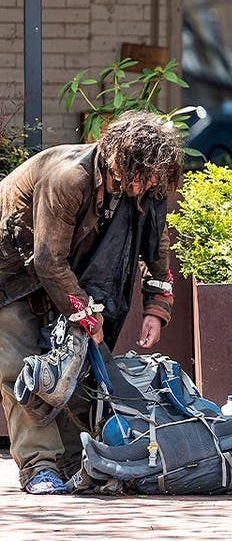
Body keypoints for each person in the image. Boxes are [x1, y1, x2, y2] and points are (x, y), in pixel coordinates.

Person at [0, 111, 181, 494]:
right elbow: (48, 260)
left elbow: (156, 243)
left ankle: (70, 463)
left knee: (74, 366)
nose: (152, 184)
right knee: (23, 368)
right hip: (10, 273)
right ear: (124, 161)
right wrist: (86, 316)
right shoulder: (68, 177)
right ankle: (39, 467)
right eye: (146, 175)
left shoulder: (142, 185)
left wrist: (156, 307)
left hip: (62, 273)